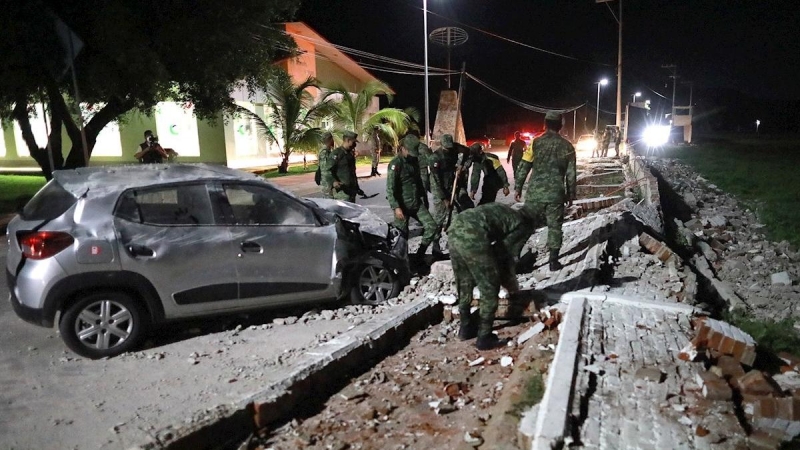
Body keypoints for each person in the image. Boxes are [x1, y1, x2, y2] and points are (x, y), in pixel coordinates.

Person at [449, 202, 536, 350]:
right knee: (489, 286)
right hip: (473, 235)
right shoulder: (522, 225)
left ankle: (465, 327)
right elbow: (504, 256)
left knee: (464, 281)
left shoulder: (504, 210)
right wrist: (511, 286)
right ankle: (484, 337)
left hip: (454, 229)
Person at [514, 111, 577, 271]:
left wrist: (518, 187)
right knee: (555, 227)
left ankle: (514, 257)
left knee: (526, 224)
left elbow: (524, 165)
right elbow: (571, 173)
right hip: (556, 194)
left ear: (545, 124)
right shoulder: (568, 146)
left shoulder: (535, 143)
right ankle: (553, 262)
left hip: (535, 193)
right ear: (561, 126)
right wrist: (571, 194)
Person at [386, 135, 441, 262]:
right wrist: (396, 207)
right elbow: (390, 189)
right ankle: (402, 262)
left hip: (416, 204)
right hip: (402, 206)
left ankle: (419, 255)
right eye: (410, 152)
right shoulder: (395, 164)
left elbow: (418, 182)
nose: (412, 155)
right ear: (403, 148)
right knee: (402, 237)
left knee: (432, 227)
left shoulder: (414, 161)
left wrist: (423, 197)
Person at [329, 131, 361, 202]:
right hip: (342, 192)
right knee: (343, 212)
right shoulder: (337, 154)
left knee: (352, 212)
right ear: (348, 140)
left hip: (351, 191)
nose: (355, 145)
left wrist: (357, 187)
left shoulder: (350, 154)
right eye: (353, 142)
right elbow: (328, 170)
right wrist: (334, 181)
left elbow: (352, 172)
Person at [316, 131, 335, 198]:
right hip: (327, 182)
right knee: (329, 203)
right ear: (330, 139)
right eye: (332, 139)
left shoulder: (328, 150)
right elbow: (325, 169)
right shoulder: (324, 151)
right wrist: (333, 181)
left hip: (328, 182)